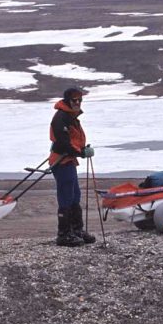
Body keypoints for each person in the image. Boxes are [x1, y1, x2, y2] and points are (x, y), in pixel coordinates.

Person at [49, 87, 96, 246]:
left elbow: (70, 143)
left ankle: (76, 230)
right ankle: (64, 234)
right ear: (67, 100)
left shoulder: (70, 116)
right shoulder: (61, 117)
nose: (77, 102)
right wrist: (81, 152)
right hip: (61, 161)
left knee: (74, 195)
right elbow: (63, 144)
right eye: (74, 100)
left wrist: (80, 151)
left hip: (68, 160)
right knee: (66, 196)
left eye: (79, 100)